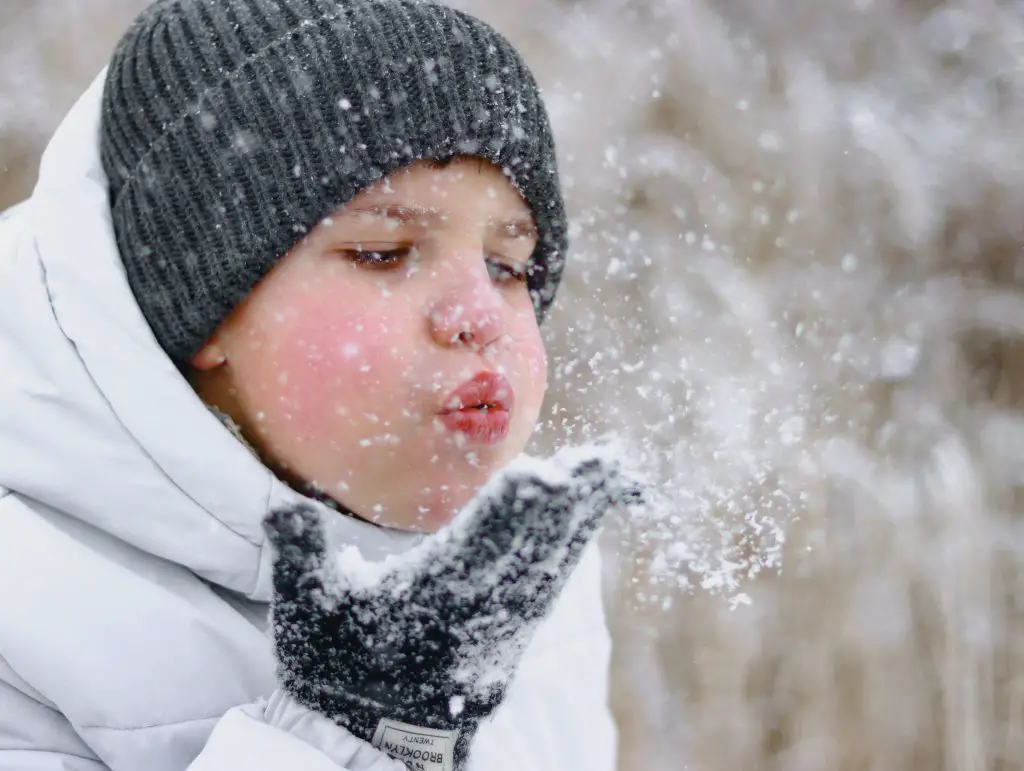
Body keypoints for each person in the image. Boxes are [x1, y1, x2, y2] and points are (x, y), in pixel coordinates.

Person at [0, 1, 634, 769]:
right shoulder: (23, 609)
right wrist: (359, 728)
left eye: (508, 267)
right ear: (203, 301)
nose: (480, 315)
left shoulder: (511, 582)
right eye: (383, 251)